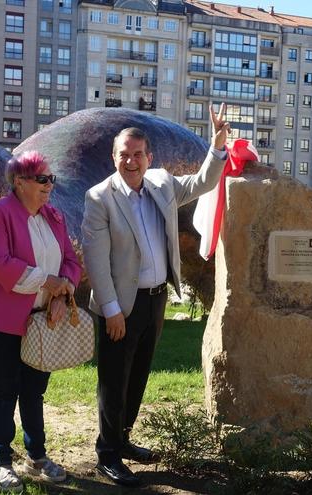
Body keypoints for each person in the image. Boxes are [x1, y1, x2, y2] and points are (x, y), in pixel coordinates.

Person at [82, 104, 231, 486]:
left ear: (149, 158)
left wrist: (216, 148)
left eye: (137, 154)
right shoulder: (99, 198)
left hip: (155, 298)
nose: (130, 161)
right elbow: (96, 262)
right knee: (113, 381)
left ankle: (124, 438)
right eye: (123, 155)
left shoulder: (162, 184)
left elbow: (202, 184)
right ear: (114, 158)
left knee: (138, 376)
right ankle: (108, 454)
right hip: (120, 305)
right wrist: (112, 310)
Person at [0, 151, 83, 492]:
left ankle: (36, 456)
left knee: (34, 391)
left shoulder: (54, 217)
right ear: (20, 182)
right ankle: (1, 460)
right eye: (42, 179)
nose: (50, 186)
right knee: (4, 389)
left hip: (42, 320)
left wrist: (62, 294)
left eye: (52, 179)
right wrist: (47, 282)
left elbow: (71, 262)